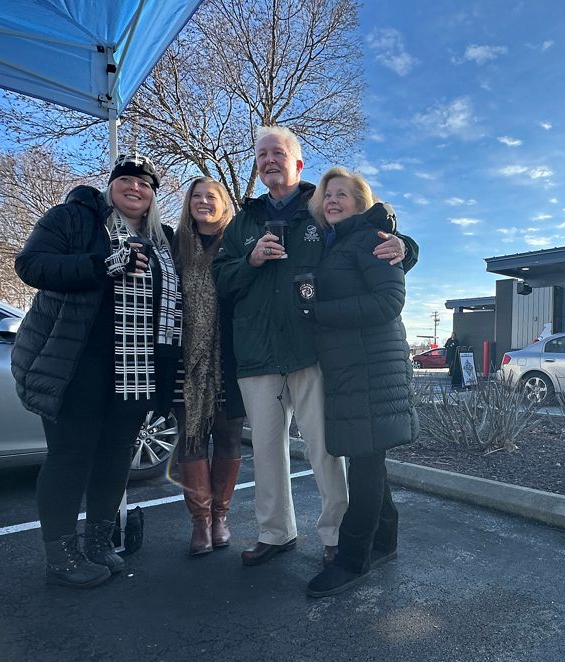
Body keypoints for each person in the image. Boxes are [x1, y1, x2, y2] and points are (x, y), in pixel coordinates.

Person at [212, 126, 418, 569]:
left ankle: (336, 535)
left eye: (278, 153)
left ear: (298, 163)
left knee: (326, 449)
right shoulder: (243, 222)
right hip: (257, 352)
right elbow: (221, 278)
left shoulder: (320, 210)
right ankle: (275, 533)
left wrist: (406, 246)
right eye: (262, 155)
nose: (269, 161)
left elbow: (367, 234)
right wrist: (250, 260)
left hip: (313, 350)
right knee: (267, 450)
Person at [12, 153, 181, 588]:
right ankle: (61, 557)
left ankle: (99, 542)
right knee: (70, 456)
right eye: (126, 179)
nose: (135, 187)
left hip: (135, 367)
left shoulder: (162, 238)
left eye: (144, 183)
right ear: (111, 185)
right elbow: (30, 265)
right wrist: (102, 265)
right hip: (76, 360)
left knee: (115, 455)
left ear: (153, 194)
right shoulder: (74, 218)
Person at [298, 167, 417, 598]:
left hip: (371, 367)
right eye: (328, 195)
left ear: (360, 202)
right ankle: (384, 541)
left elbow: (390, 301)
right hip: (353, 366)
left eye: (342, 195)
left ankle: (352, 560)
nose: (332, 200)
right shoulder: (338, 242)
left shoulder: (369, 239)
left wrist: (320, 313)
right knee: (369, 458)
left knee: (365, 463)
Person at [170, 177, 246, 555]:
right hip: (186, 359)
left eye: (211, 196)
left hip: (230, 356)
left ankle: (220, 518)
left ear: (224, 204)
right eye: (196, 196)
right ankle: (200, 522)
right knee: (192, 438)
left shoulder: (237, 242)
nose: (203, 202)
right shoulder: (175, 245)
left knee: (228, 438)